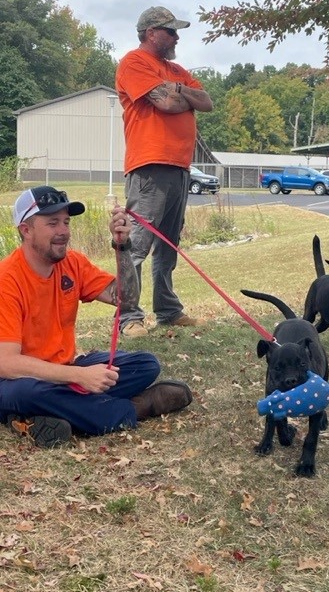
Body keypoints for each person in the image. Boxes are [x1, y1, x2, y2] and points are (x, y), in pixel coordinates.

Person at [0, 186, 192, 448]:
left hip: (65, 370)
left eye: (66, 222)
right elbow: (7, 363)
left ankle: (45, 416)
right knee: (23, 393)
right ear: (26, 230)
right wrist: (80, 378)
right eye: (52, 223)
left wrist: (122, 246)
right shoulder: (7, 280)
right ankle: (137, 408)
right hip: (17, 381)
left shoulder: (73, 263)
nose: (63, 232)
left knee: (146, 365)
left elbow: (126, 298)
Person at [115, 5, 214, 338]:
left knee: (168, 244)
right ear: (150, 33)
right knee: (136, 243)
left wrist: (179, 90)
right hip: (149, 166)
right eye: (170, 30)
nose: (176, 36)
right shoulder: (134, 62)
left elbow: (207, 101)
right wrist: (180, 94)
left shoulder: (176, 70)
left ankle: (168, 311)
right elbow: (166, 104)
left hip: (180, 167)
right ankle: (129, 317)